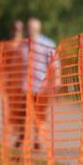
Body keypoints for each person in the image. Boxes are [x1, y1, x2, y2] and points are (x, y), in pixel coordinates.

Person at [24, 17, 58, 151]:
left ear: (38, 29)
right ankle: (24, 139)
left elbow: (55, 64)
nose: (30, 31)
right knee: (25, 114)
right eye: (29, 28)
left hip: (42, 86)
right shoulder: (23, 44)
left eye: (32, 28)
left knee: (39, 115)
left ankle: (37, 139)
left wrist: (56, 80)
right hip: (25, 86)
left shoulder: (47, 44)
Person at [2, 20, 27, 149]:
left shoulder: (24, 45)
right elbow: (4, 64)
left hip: (23, 83)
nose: (16, 32)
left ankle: (27, 138)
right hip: (12, 82)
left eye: (19, 29)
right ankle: (18, 135)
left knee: (24, 112)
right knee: (14, 111)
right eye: (14, 29)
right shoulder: (8, 45)